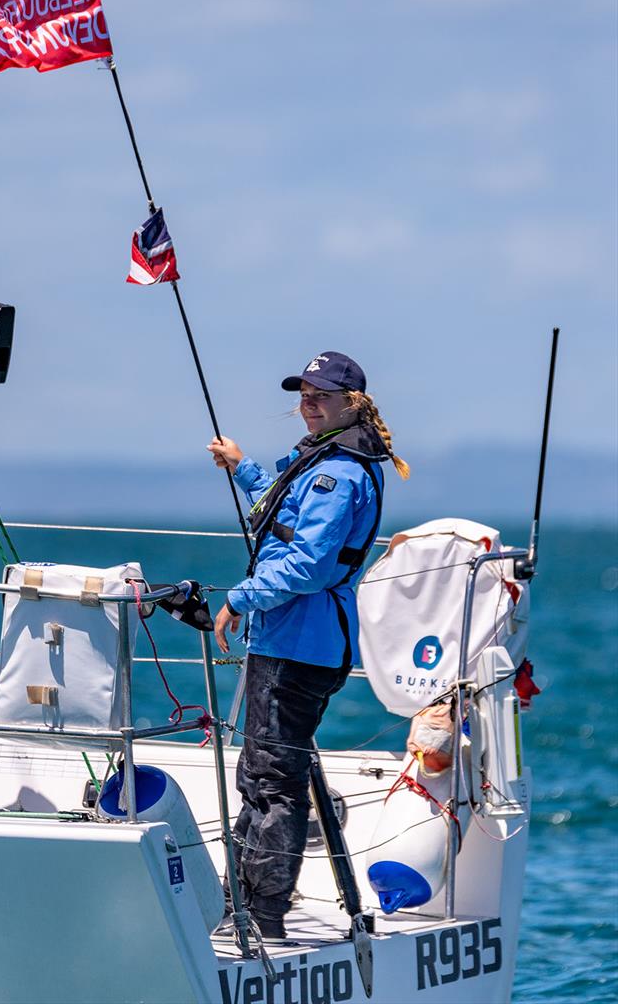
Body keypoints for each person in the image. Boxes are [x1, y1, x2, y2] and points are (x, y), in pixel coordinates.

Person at [207, 351, 409, 939]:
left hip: (299, 643)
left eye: (320, 393)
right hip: (295, 640)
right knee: (265, 775)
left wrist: (239, 599)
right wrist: (243, 469)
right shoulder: (328, 460)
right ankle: (241, 906)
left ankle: (262, 917)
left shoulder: (340, 472)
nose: (308, 400)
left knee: (272, 783)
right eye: (303, 392)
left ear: (353, 403)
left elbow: (309, 564)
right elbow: (289, 512)